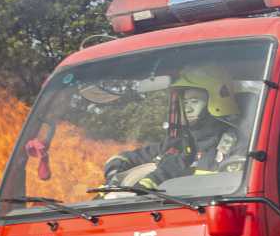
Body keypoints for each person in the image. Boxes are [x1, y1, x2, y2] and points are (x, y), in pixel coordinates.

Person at [102, 64, 241, 188]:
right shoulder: (178, 144)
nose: (188, 109)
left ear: (218, 100)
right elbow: (126, 158)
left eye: (194, 101)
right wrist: (114, 172)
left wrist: (155, 180)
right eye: (185, 103)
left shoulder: (238, 146)